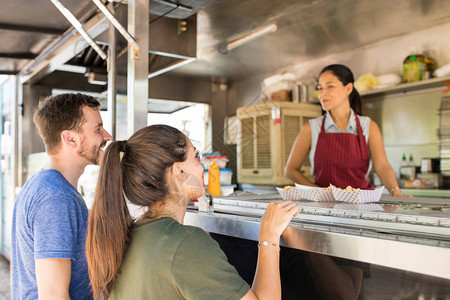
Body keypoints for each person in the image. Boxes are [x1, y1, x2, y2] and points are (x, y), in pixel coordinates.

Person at [86, 124, 300, 300]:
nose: (202, 167)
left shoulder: (123, 237)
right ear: (179, 171)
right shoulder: (186, 244)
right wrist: (269, 237)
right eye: (196, 158)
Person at [11, 93, 112, 299]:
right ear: (70, 139)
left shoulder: (45, 185)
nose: (107, 136)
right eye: (98, 129)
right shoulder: (56, 198)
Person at [285, 64, 407, 196]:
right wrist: (319, 192)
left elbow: (382, 166)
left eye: (330, 86)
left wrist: (396, 192)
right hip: (325, 206)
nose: (322, 94)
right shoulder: (311, 128)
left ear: (348, 88)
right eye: (320, 88)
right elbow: (291, 170)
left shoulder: (368, 126)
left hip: (361, 203)